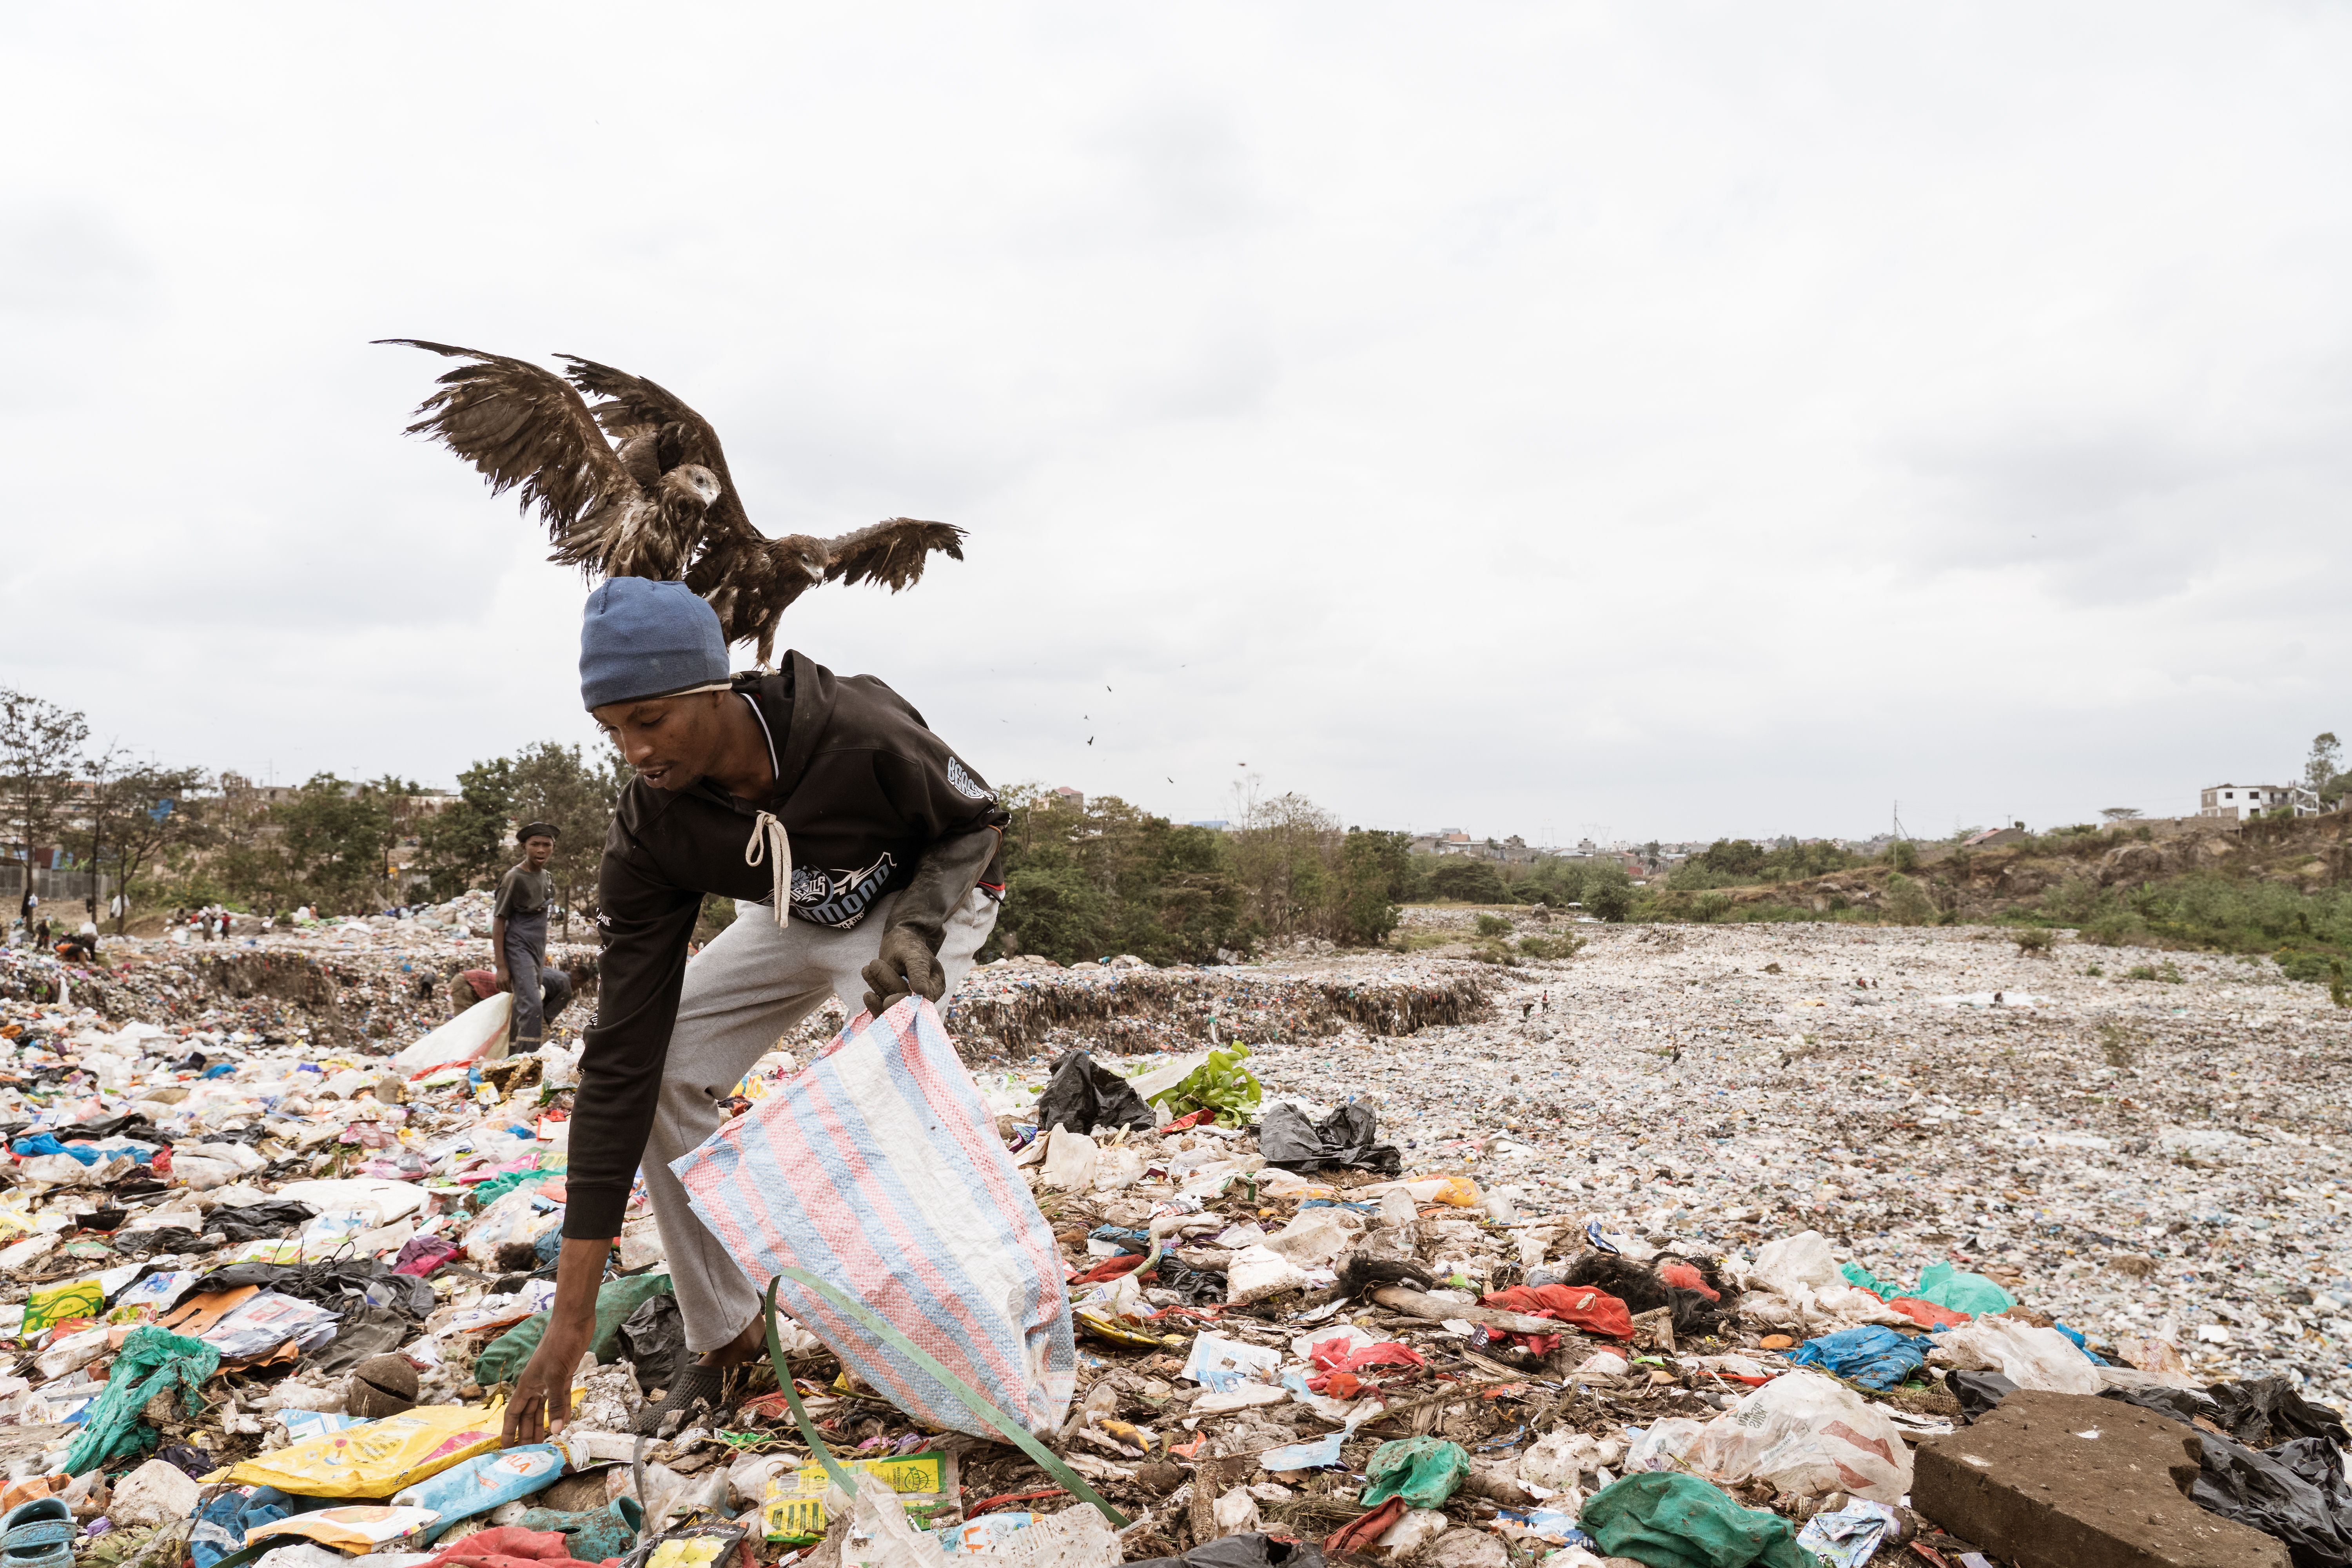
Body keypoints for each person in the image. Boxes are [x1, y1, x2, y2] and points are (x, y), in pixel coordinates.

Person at [501, 579, 1007, 1445]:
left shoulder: (857, 732)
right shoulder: (653, 826)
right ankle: (728, 1336)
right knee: (662, 1067)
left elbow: (977, 821)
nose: (633, 748)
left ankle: (974, 1337)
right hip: (793, 908)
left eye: (651, 718)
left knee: (890, 1077)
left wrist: (918, 930)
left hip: (921, 903)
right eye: (612, 727)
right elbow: (622, 1054)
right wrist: (570, 1317)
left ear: (714, 687)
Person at [492, 824, 573, 1051]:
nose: (541, 850)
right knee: (534, 1006)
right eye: (535, 844)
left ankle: (513, 1061)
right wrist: (501, 966)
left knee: (522, 1006)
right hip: (518, 947)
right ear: (524, 847)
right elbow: (499, 921)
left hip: (537, 949)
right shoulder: (513, 878)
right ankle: (526, 1064)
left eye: (546, 845)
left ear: (553, 848)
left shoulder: (547, 878)